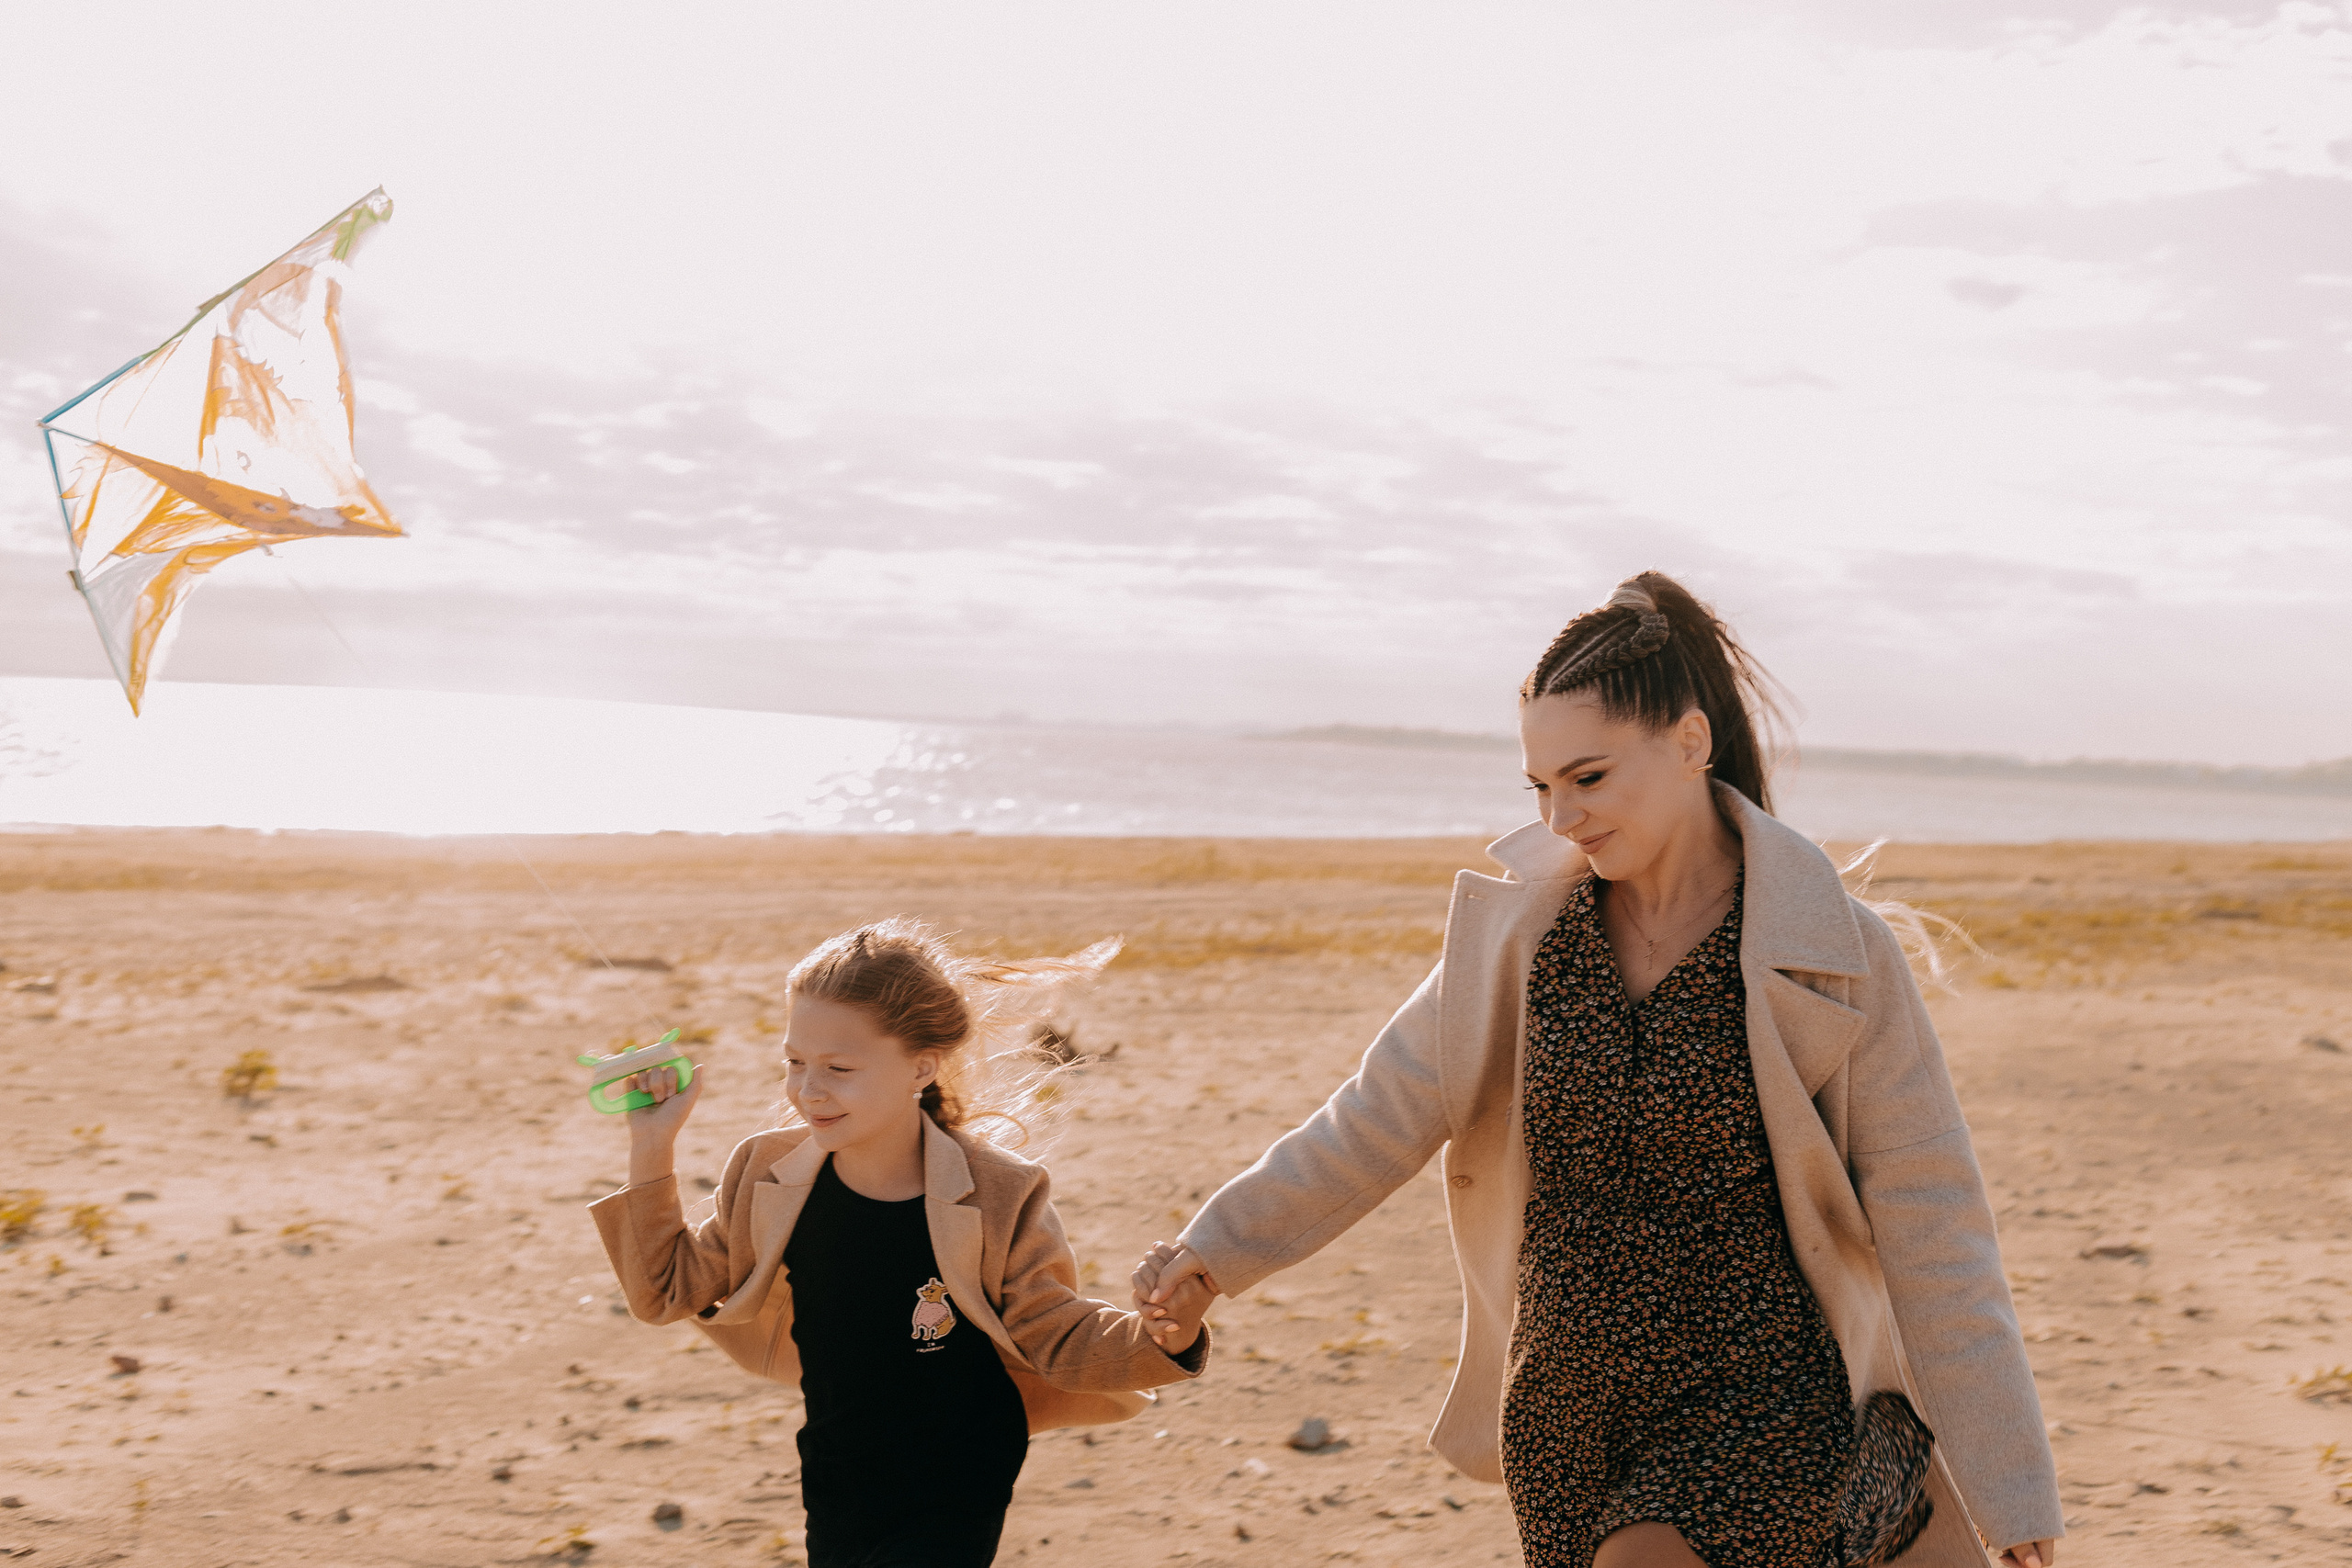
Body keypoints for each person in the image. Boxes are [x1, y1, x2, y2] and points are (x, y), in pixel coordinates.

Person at [1133, 571, 2063, 1568]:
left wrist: (2012, 1486)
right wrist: (1212, 1253)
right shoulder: (1519, 944)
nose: (1560, 815)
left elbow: (1934, 1218)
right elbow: (1372, 1120)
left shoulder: (1830, 949)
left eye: (1588, 778)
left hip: (1764, 1397)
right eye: (1538, 787)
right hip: (1566, 1414)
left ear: (1691, 743)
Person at [594, 919, 1214, 1568]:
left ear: (921, 1065)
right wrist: (651, 1143)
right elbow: (664, 1291)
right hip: (837, 1463)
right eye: (795, 1061)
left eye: (838, 1067)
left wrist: (1166, 1336)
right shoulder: (768, 1174)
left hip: (961, 1468)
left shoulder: (999, 1191)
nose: (808, 1089)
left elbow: (1054, 1330)